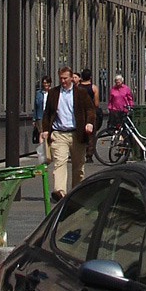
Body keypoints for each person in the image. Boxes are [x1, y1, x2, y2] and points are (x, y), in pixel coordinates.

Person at [40, 66, 96, 199]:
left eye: (65, 78)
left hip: (77, 134)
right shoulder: (54, 93)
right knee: (59, 163)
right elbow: (47, 113)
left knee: (78, 166)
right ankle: (60, 192)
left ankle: (76, 193)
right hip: (59, 134)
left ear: (71, 78)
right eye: (61, 78)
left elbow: (90, 109)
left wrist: (89, 123)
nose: (63, 81)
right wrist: (46, 131)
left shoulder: (80, 93)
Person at [33, 75, 51, 158]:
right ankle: (42, 150)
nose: (45, 85)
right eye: (44, 83)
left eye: (46, 83)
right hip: (40, 114)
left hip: (49, 115)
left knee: (48, 132)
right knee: (41, 133)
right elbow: (35, 106)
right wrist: (34, 118)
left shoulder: (52, 93)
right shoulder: (38, 93)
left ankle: (49, 150)